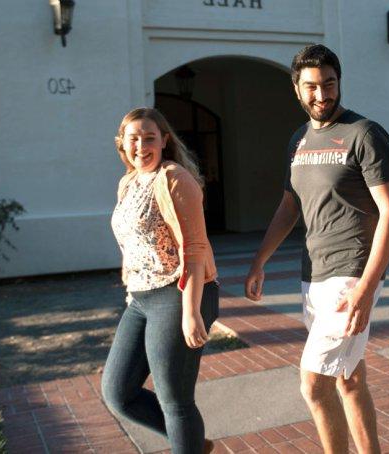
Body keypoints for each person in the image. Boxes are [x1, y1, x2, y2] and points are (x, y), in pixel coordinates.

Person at [244, 44, 389, 454]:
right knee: (348, 379)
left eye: (329, 85)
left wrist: (366, 288)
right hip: (312, 273)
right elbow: (290, 204)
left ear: (339, 83)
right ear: (296, 89)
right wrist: (260, 260)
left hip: (350, 273)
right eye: (312, 87)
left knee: (313, 384)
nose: (322, 95)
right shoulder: (299, 139)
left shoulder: (364, 133)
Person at [101, 107, 219, 454]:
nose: (141, 146)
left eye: (149, 137)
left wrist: (191, 310)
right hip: (141, 299)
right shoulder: (128, 182)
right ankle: (193, 445)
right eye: (133, 138)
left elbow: (195, 248)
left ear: (164, 140)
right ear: (122, 144)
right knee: (118, 392)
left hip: (178, 293)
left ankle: (188, 444)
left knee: (175, 399)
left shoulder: (174, 178)